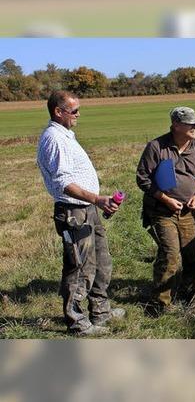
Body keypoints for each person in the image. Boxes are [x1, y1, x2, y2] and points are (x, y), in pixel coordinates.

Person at [36, 90, 125, 336]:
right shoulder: (54, 138)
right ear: (58, 111)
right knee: (80, 268)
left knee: (102, 262)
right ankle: (77, 321)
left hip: (87, 209)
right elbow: (64, 182)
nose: (78, 115)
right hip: (73, 212)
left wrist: (95, 203)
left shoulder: (66, 136)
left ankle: (101, 312)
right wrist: (97, 198)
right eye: (74, 111)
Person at [136, 106, 195, 315]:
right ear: (176, 126)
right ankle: (160, 303)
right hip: (161, 211)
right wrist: (166, 199)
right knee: (170, 255)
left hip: (188, 212)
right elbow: (142, 179)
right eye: (190, 124)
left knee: (192, 255)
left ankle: (192, 295)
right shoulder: (156, 147)